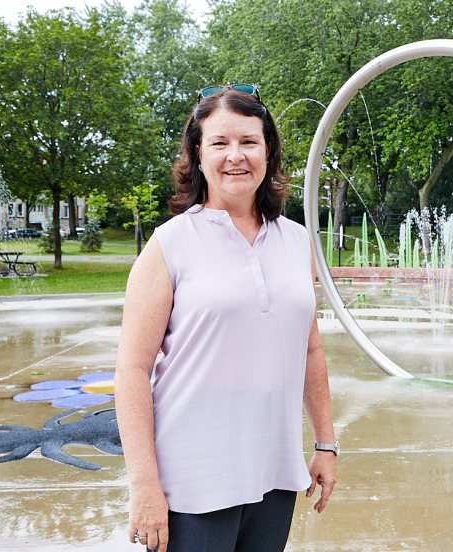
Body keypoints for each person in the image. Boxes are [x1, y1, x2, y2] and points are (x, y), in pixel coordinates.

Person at [115, 84, 337, 552]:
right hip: (193, 482)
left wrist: (325, 443)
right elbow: (132, 371)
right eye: (219, 143)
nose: (235, 156)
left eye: (248, 142)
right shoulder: (169, 244)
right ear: (198, 154)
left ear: (268, 151)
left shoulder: (296, 242)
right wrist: (144, 485)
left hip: (273, 472)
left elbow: (310, 348)